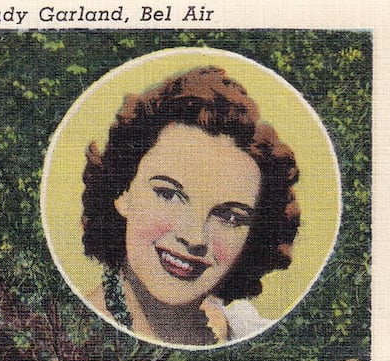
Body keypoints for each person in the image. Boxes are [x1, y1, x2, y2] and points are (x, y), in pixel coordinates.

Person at [81, 66, 300, 346]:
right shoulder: (62, 330)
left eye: (230, 217)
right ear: (123, 191)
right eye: (169, 194)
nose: (195, 237)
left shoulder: (248, 332)